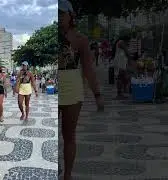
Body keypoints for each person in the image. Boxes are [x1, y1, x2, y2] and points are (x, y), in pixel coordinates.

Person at [58, 1, 104, 180]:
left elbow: (88, 70)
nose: (59, 17)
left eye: (62, 13)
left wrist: (97, 94)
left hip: (72, 91)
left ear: (71, 16)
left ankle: (67, 175)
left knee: (69, 135)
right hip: (53, 91)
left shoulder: (80, 40)